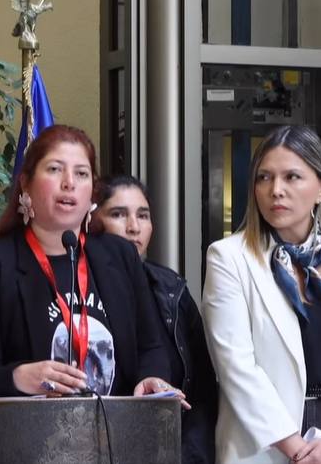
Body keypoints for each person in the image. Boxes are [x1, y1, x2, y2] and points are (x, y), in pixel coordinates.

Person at [202, 125, 321, 463]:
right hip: (266, 445)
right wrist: (298, 451)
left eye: (292, 177)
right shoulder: (228, 258)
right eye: (264, 178)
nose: (276, 190)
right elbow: (235, 368)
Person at [0, 124, 181, 400]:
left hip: (119, 434)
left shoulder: (119, 256)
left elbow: (151, 346)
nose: (69, 183)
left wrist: (151, 378)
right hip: (30, 436)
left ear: (92, 192)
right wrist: (18, 377)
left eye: (81, 173)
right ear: (26, 183)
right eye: (54, 169)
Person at [92, 175, 217, 463]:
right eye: (118, 214)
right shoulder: (82, 289)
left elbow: (202, 392)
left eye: (143, 215)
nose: (133, 227)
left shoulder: (172, 289)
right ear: (93, 220)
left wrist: (189, 456)